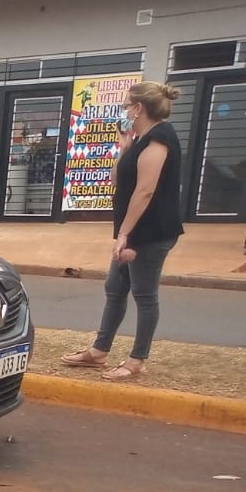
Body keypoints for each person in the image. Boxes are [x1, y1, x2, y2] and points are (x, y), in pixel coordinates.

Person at [61, 82, 184, 382]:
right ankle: (99, 351)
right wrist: (124, 147)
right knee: (115, 288)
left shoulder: (160, 138)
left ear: (139, 108)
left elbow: (145, 191)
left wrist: (124, 234)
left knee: (144, 294)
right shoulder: (140, 139)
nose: (125, 110)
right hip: (133, 230)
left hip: (150, 231)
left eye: (128, 105)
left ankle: (137, 359)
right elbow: (117, 179)